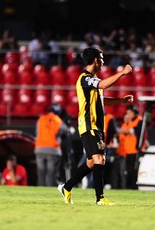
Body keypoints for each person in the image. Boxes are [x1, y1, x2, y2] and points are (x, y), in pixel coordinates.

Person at [58, 46, 133, 205]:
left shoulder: (93, 81)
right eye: (102, 59)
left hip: (97, 126)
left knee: (92, 162)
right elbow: (104, 85)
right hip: (88, 125)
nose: (103, 62)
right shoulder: (85, 78)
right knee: (100, 158)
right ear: (95, 60)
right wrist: (122, 73)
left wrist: (120, 101)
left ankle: (67, 186)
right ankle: (100, 198)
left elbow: (100, 99)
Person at [34, 104, 68, 187]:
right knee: (51, 172)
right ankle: (49, 190)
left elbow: (37, 133)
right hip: (53, 149)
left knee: (41, 172)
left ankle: (40, 191)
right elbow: (66, 131)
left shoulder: (41, 119)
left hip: (40, 148)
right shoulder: (58, 120)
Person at [120, 105, 144, 189]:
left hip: (135, 150)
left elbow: (135, 132)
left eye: (129, 113)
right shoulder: (129, 122)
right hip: (128, 150)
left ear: (134, 112)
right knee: (128, 171)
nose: (128, 115)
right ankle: (129, 186)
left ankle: (133, 187)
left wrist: (127, 131)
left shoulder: (139, 121)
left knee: (133, 170)